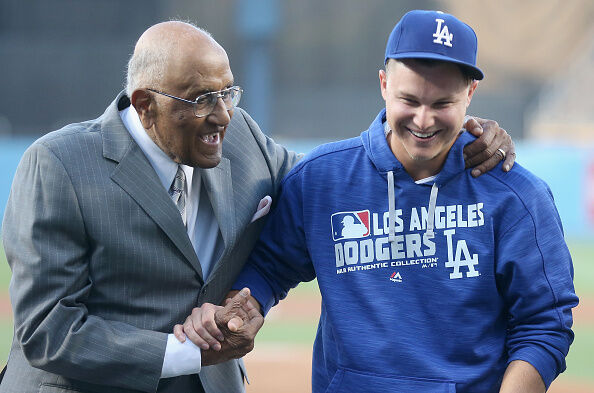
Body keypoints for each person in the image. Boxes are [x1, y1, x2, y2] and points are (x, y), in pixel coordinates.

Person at [1, 20, 513, 393]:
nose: (221, 115)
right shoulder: (59, 165)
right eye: (200, 99)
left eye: (228, 92)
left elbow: (333, 183)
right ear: (144, 104)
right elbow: (49, 330)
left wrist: (450, 135)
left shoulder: (240, 137)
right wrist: (188, 354)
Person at [178, 10, 579, 393]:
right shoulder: (321, 179)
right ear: (384, 84)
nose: (424, 121)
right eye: (410, 100)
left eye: (443, 104)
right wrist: (247, 304)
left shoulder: (516, 196)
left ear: (470, 93)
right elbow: (269, 266)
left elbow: (544, 324)